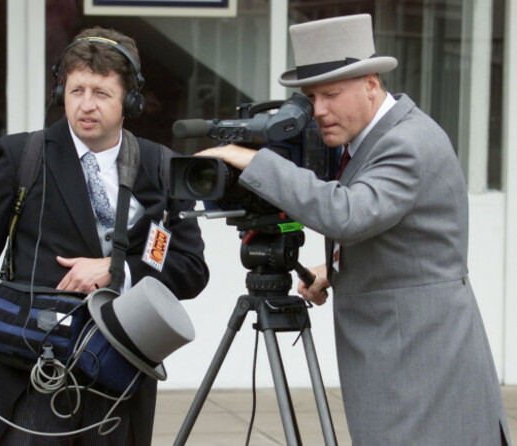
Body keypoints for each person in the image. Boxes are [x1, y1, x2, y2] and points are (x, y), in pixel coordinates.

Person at [196, 14, 511, 446]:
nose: (319, 110)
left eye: (331, 93)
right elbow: (398, 227)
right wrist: (336, 265)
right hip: (406, 361)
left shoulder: (405, 143)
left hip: (422, 370)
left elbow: (349, 214)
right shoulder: (372, 138)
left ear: (371, 83)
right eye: (310, 97)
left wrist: (256, 163)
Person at [0, 26, 209, 445]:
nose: (86, 106)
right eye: (76, 91)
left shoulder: (160, 166)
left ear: (130, 99)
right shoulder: (23, 157)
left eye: (102, 93)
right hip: (29, 382)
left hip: (119, 386)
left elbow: (190, 270)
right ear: (61, 93)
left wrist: (117, 271)